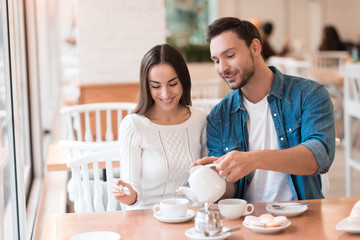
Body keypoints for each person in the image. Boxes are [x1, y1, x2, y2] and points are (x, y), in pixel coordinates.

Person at [191, 17, 335, 202]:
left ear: (255, 47)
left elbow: (319, 157)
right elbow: (230, 192)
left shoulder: (308, 94)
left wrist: (253, 159)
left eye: (230, 55)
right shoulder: (219, 116)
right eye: (216, 60)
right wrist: (215, 177)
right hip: (247, 220)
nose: (222, 68)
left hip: (303, 214)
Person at [112, 44, 208, 209]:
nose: (165, 94)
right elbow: (132, 185)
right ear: (147, 87)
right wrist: (129, 196)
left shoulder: (200, 118)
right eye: (156, 86)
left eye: (172, 84)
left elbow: (206, 177)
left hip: (189, 215)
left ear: (183, 81)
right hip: (147, 215)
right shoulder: (133, 124)